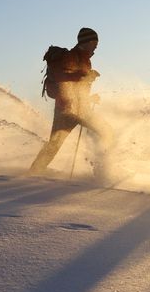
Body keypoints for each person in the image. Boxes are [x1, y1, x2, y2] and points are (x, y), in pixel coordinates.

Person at [28, 27, 115, 179]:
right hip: (67, 109)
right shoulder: (72, 56)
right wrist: (84, 76)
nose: (96, 45)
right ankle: (33, 172)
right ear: (86, 42)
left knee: (104, 131)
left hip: (79, 108)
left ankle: (103, 169)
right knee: (57, 143)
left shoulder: (85, 60)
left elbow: (77, 88)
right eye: (94, 42)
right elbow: (62, 78)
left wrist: (89, 96)